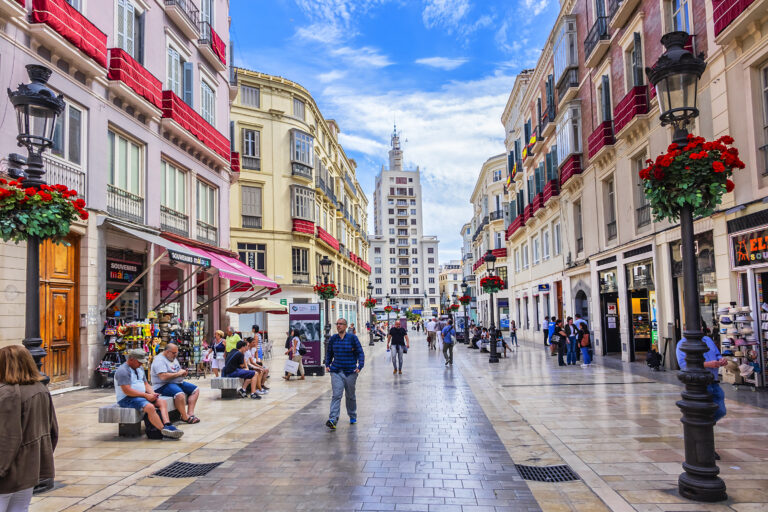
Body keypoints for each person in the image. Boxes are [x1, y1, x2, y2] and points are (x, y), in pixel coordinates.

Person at [0, 346, 58, 511]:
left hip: (8, 472)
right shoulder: (40, 388)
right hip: (30, 468)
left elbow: (7, 438)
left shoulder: (8, 393)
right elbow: (53, 432)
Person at [676, 335, 728, 459]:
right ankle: (704, 443)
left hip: (713, 380)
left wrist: (721, 360)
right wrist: (708, 364)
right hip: (699, 384)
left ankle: (698, 429)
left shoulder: (708, 340)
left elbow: (717, 354)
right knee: (704, 415)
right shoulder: (682, 343)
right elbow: (684, 365)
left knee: (720, 410)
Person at [113, 349, 183, 438]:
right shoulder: (123, 371)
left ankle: (167, 424)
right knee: (150, 407)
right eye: (139, 362)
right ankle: (163, 431)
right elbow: (127, 390)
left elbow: (146, 384)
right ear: (131, 359)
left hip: (140, 396)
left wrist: (153, 394)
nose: (141, 364)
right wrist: (146, 395)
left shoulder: (139, 368)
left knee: (162, 402)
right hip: (127, 398)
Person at [324, 318, 364, 429]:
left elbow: (360, 352)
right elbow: (329, 353)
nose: (338, 326)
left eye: (341, 324)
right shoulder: (333, 339)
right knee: (336, 395)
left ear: (346, 326)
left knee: (350, 396)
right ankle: (333, 419)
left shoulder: (352, 338)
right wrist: (327, 364)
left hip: (350, 372)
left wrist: (360, 366)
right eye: (337, 324)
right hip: (336, 371)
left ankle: (352, 415)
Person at [151, 342, 201, 424]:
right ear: (167, 352)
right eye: (174, 353)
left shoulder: (172, 358)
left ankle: (190, 413)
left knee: (195, 390)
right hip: (162, 385)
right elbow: (163, 376)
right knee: (179, 394)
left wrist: (183, 373)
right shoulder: (159, 360)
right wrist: (178, 374)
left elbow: (177, 370)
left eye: (176, 353)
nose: (175, 355)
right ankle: (185, 417)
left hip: (176, 382)